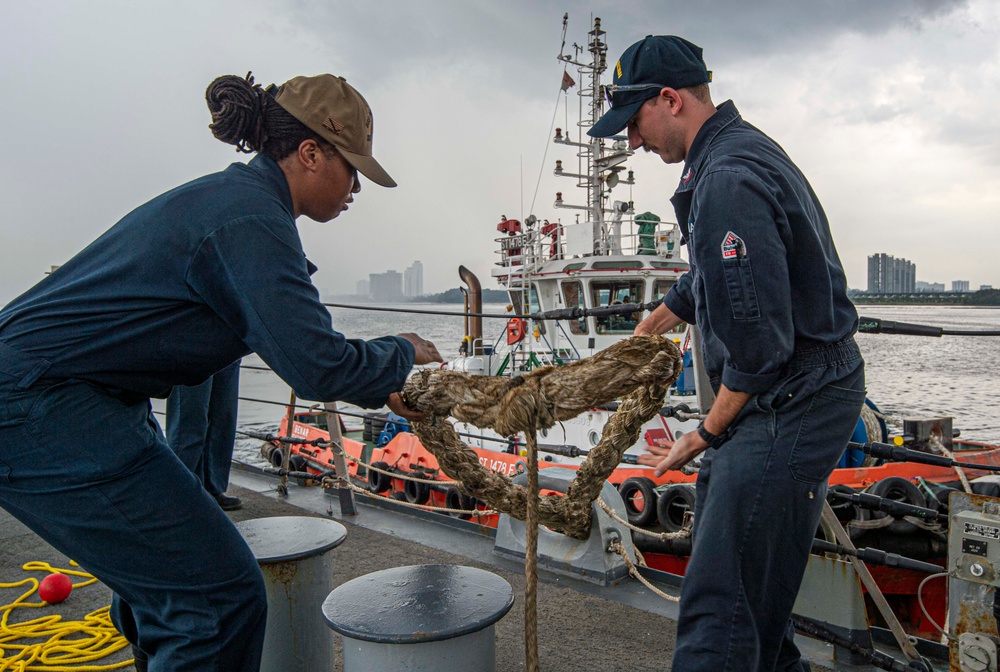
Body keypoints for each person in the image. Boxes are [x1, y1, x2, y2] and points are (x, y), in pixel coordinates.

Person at [0, 72, 441, 672]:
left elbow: (301, 347)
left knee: (166, 589)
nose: (358, 185)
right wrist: (401, 354)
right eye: (354, 166)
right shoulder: (250, 221)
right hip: (39, 404)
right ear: (311, 153)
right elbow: (317, 364)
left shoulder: (239, 204)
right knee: (215, 602)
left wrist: (380, 378)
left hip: (76, 396)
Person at [589, 37, 865, 672]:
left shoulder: (724, 181)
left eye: (634, 123)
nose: (633, 141)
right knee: (754, 603)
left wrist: (705, 434)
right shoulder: (743, 150)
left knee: (720, 611)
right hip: (811, 387)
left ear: (670, 99)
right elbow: (737, 267)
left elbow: (760, 347)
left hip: (790, 398)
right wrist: (666, 312)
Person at [166, 360, 242, 511]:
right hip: (189, 341)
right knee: (190, 416)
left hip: (229, 340)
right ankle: (180, 493)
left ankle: (212, 487)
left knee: (223, 414)